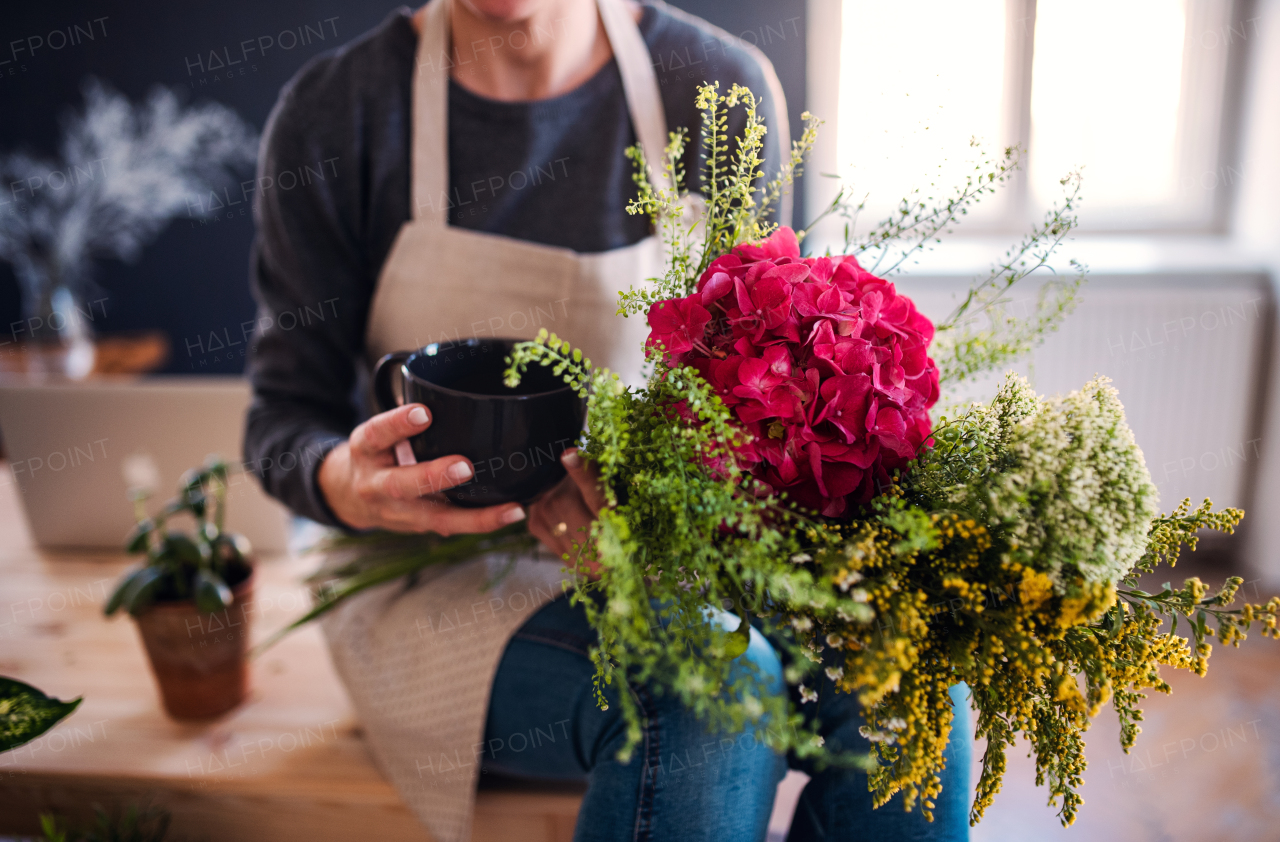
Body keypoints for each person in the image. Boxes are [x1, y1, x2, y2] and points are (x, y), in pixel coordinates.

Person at [245, 0, 971, 840]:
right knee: (717, 689)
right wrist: (348, 482)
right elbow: (280, 417)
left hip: (668, 549)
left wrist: (663, 516)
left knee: (910, 678)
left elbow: (767, 396)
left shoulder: (716, 89)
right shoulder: (338, 112)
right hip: (423, 572)